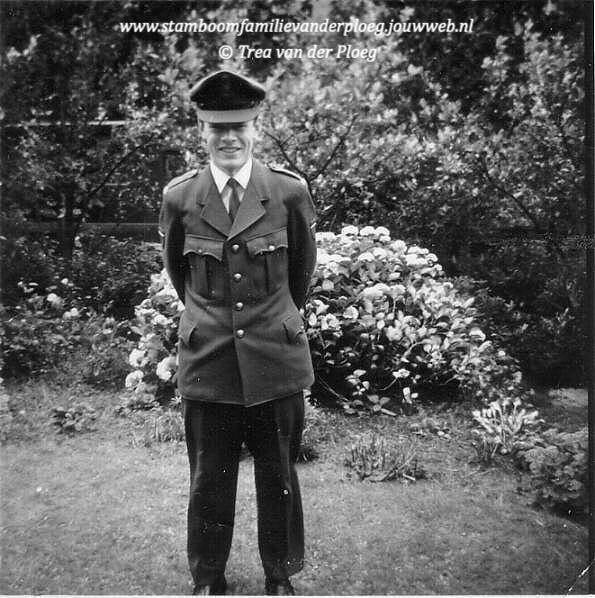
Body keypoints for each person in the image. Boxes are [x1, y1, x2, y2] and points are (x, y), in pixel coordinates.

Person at [159, 70, 317, 596]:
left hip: (275, 358)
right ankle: (208, 577)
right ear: (201, 130)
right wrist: (212, 318)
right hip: (209, 361)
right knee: (209, 478)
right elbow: (180, 276)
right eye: (217, 128)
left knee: (279, 478)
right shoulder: (181, 197)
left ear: (257, 128)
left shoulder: (288, 192)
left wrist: (271, 320)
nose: (229, 138)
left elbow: (300, 276)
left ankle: (280, 574)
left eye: (239, 127)